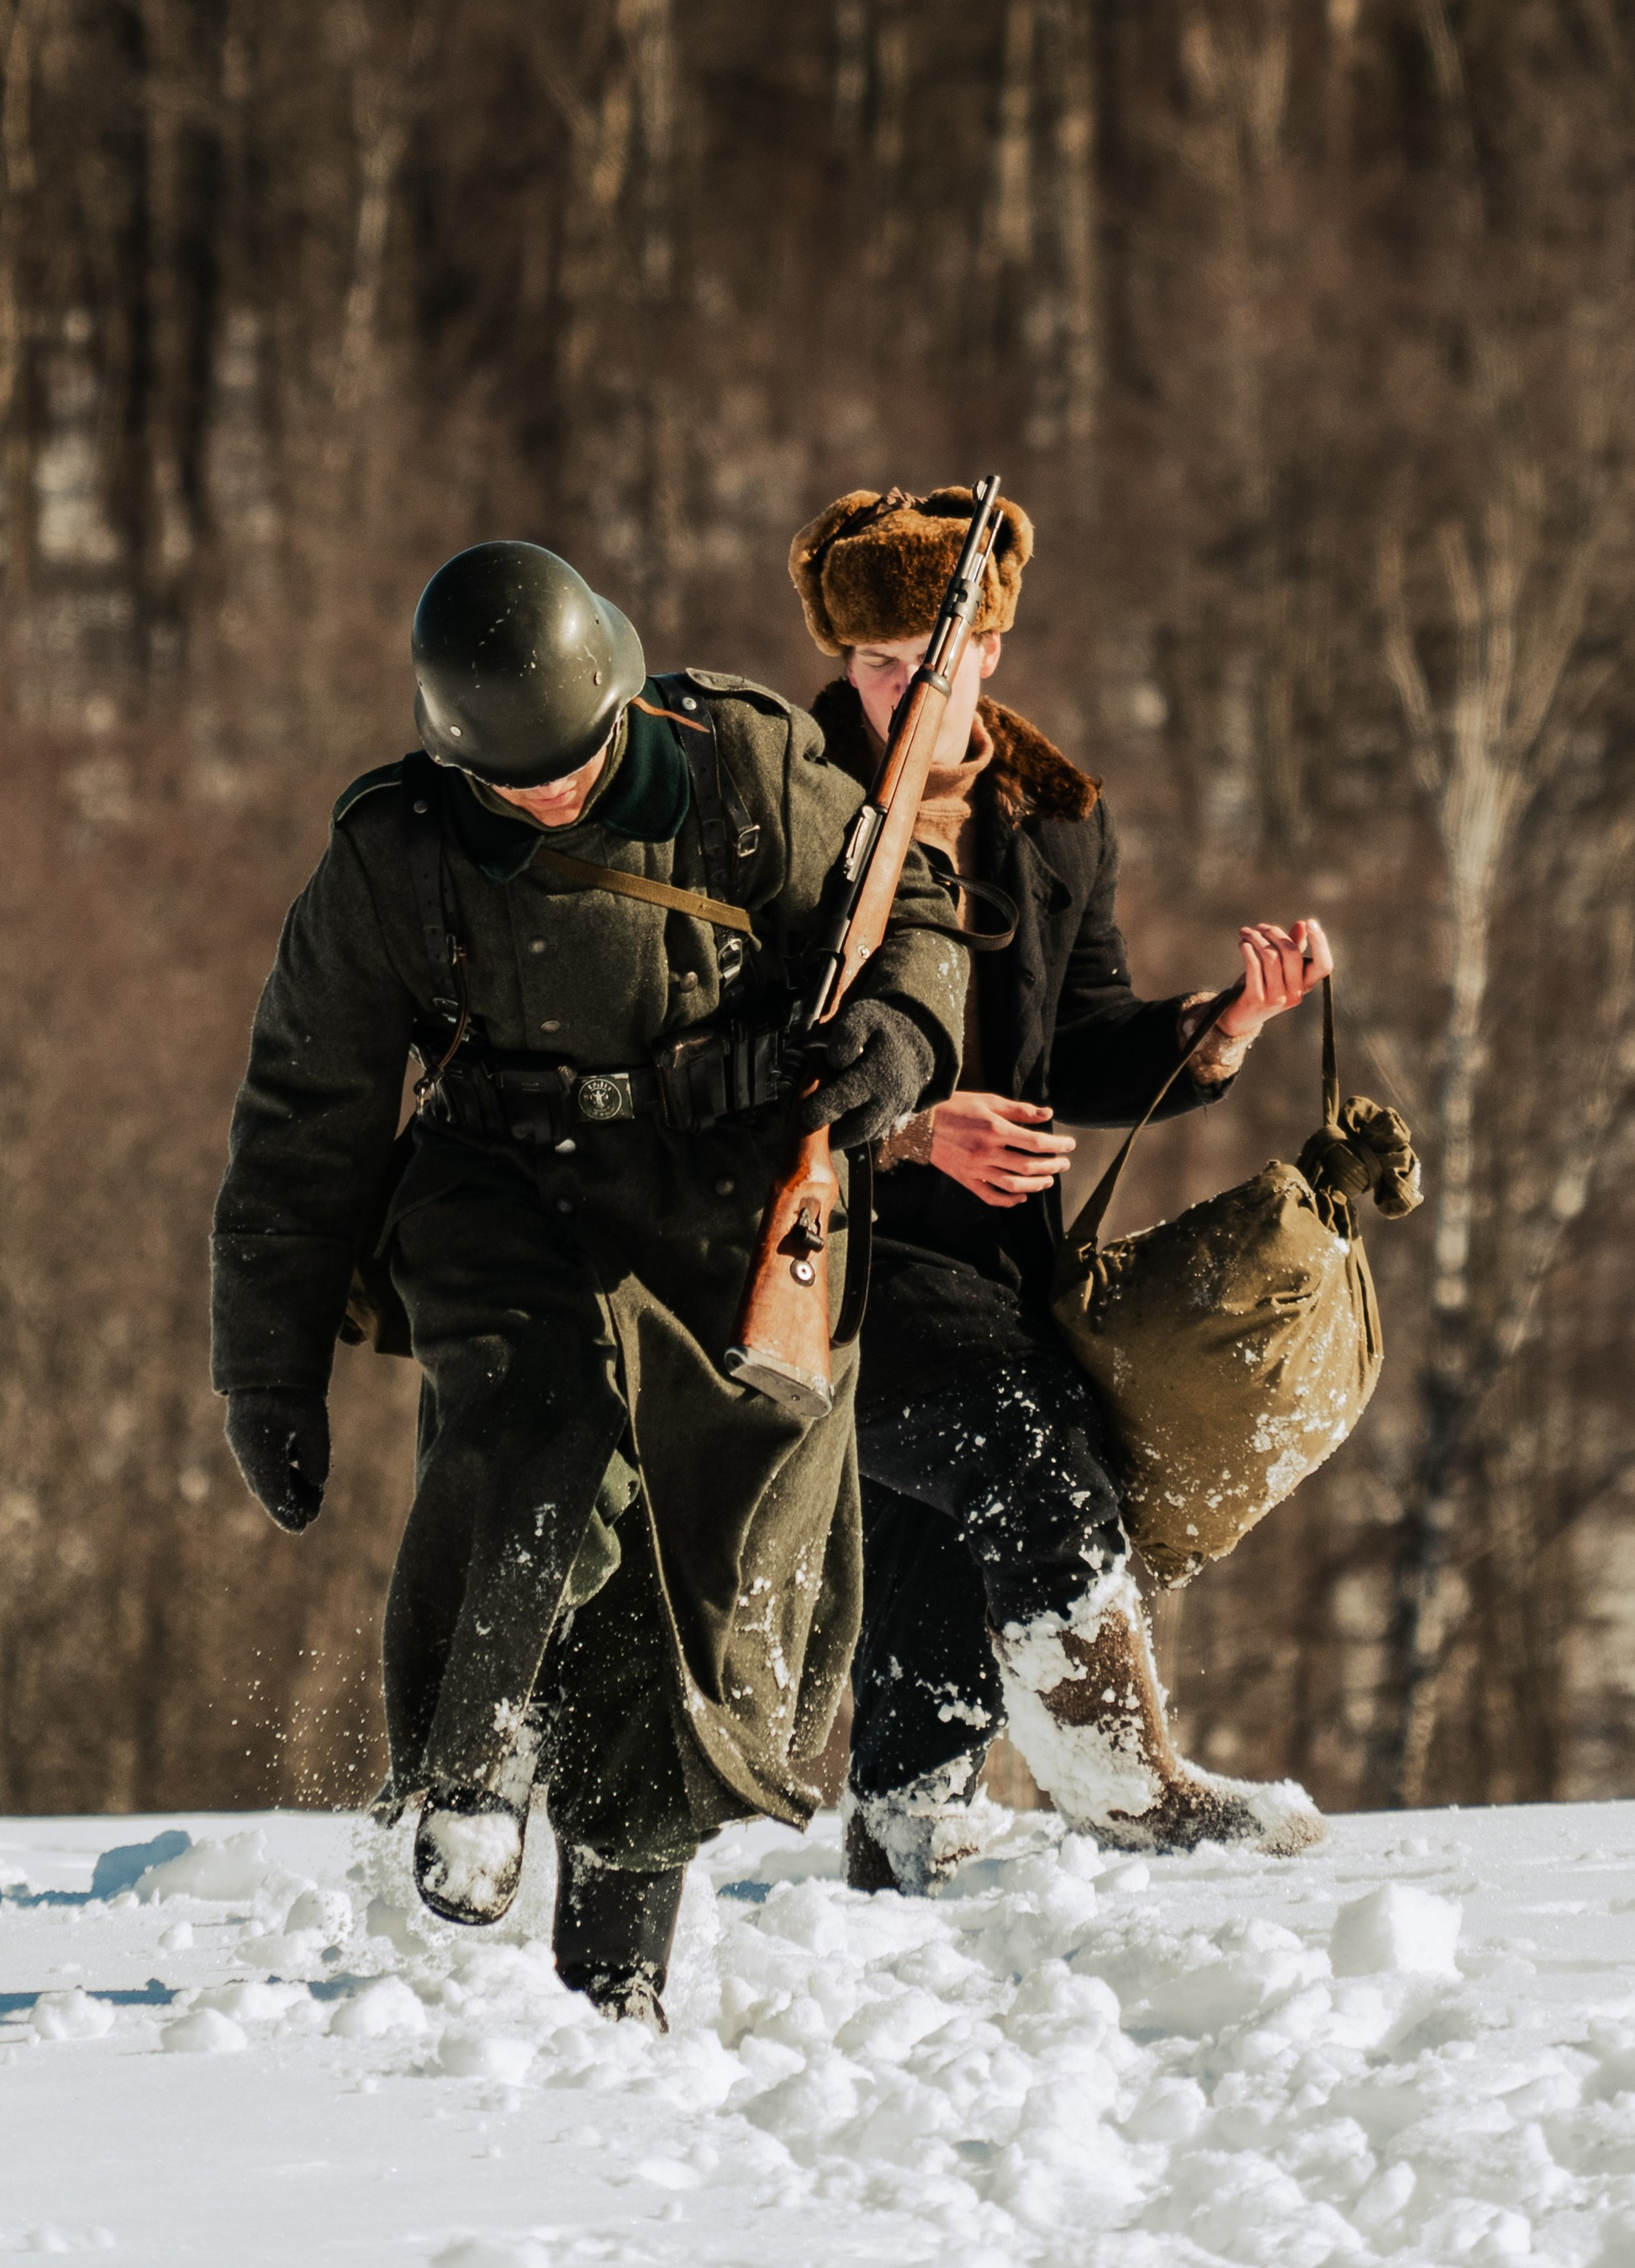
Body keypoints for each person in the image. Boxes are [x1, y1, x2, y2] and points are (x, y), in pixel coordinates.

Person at [211, 541, 964, 2017]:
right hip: (501, 1189)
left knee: (671, 1599)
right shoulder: (393, 855)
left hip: (720, 1204)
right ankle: (471, 1759)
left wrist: (902, 1035)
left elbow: (914, 910)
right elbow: (304, 1113)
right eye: (515, 782)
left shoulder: (742, 768)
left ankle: (615, 1987)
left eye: (572, 763)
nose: (551, 795)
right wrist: (265, 1362)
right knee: (538, 1418)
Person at [786, 485, 1332, 1894]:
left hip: (991, 1258)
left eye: (926, 656)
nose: (899, 687)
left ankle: (908, 1809)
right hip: (822, 1244)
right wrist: (916, 1130)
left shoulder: (1055, 821)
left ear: (989, 650)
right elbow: (743, 1061)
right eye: (873, 662)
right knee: (1029, 1449)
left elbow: (1081, 1043)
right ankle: (1123, 1779)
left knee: (936, 1510)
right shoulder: (785, 800)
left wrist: (1223, 1025)